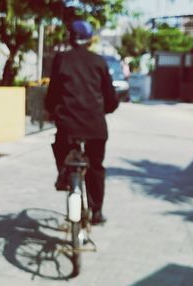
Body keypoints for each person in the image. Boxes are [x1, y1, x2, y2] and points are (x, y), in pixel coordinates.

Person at [45, 20, 119, 225]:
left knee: (61, 146)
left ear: (71, 38)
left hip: (68, 124)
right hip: (95, 126)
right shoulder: (100, 62)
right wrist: (105, 109)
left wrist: (51, 111)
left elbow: (53, 94)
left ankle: (63, 174)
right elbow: (111, 98)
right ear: (90, 40)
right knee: (95, 166)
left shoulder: (62, 59)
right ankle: (96, 212)